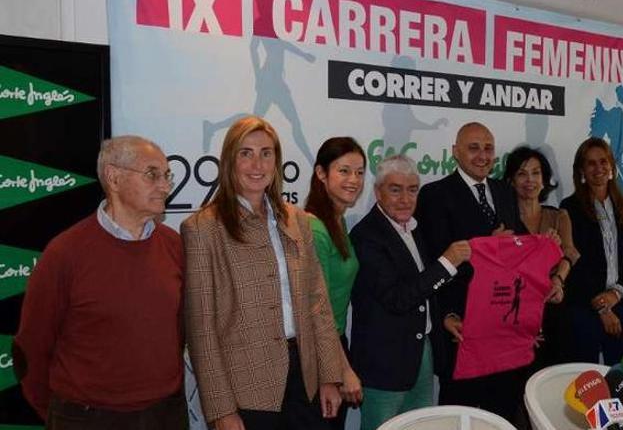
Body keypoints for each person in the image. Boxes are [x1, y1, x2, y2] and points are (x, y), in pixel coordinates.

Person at [14, 135, 186, 429]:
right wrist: (61, 415)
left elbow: (181, 328)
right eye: (152, 174)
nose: (166, 186)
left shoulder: (173, 245)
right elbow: (31, 347)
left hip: (165, 415)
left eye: (167, 175)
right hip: (88, 418)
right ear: (114, 177)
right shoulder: (66, 253)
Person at [182, 116, 343, 430]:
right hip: (245, 389)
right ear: (230, 160)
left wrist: (329, 376)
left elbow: (318, 304)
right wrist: (221, 409)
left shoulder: (298, 220)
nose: (257, 164)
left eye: (266, 153)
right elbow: (201, 328)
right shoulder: (202, 229)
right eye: (246, 153)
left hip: (305, 380)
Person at [415, 122, 527, 423]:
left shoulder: (504, 191)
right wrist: (490, 247)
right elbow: (436, 261)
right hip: (460, 326)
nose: (482, 155)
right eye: (473, 147)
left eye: (488, 148)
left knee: (501, 413)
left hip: (503, 328)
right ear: (455, 152)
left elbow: (516, 251)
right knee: (459, 416)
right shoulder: (434, 195)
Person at [349, 155, 470, 430]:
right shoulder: (366, 236)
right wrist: (447, 262)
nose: (405, 199)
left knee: (421, 426)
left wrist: (439, 320)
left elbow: (421, 290)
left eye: (412, 189)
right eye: (395, 189)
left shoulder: (414, 229)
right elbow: (398, 298)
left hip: (421, 354)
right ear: (378, 192)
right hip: (383, 364)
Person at [561, 137, 623, 366]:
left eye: (603, 161)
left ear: (611, 166)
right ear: (581, 170)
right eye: (591, 163)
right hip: (584, 306)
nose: (599, 168)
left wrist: (616, 294)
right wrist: (602, 308)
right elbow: (574, 262)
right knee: (585, 376)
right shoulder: (569, 208)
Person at [304, 137, 367, 429]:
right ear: (321, 174)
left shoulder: (337, 220)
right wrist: (341, 369)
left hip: (335, 343)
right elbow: (318, 309)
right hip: (320, 352)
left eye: (359, 172)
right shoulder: (315, 229)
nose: (354, 180)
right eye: (344, 171)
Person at [502, 145, 580, 367]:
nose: (530, 180)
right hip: (515, 313)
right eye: (522, 174)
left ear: (544, 179)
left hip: (554, 307)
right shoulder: (503, 221)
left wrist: (558, 280)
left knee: (553, 375)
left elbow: (569, 255)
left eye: (536, 173)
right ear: (511, 180)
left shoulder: (558, 216)